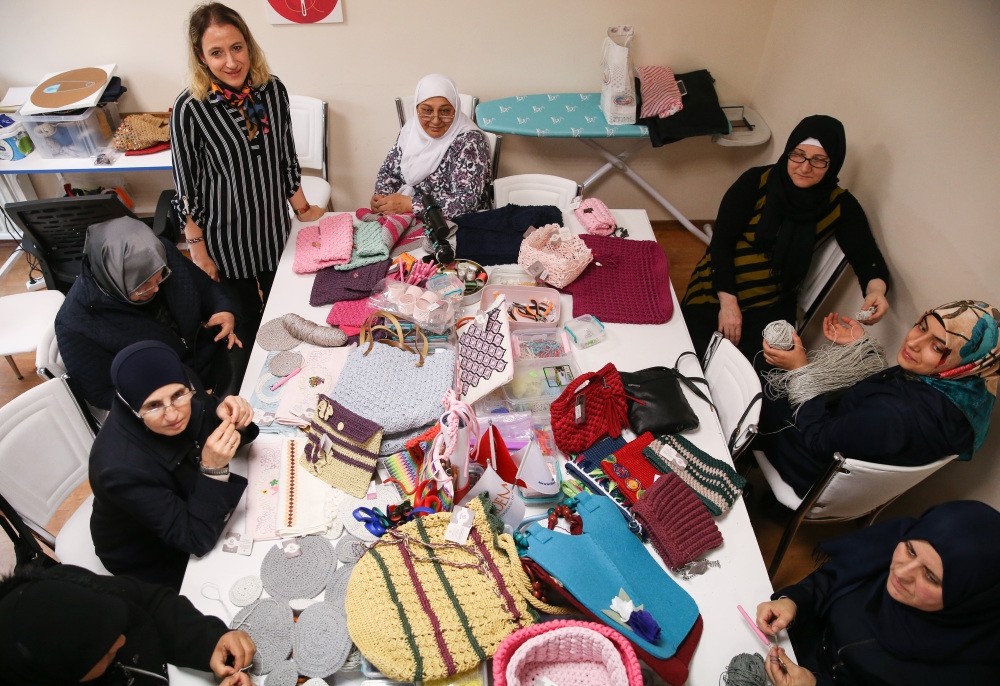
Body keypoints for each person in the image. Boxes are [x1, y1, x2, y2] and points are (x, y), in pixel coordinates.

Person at [171, 2, 325, 378]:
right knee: (245, 326)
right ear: (200, 57)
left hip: (273, 229)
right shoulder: (190, 108)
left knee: (287, 312)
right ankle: (254, 392)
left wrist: (304, 211)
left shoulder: (272, 91)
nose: (230, 62)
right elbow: (186, 187)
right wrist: (198, 251)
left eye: (236, 47)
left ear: (249, 45)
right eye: (217, 52)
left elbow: (285, 157)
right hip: (226, 241)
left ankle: (296, 377)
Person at [681, 115, 890, 359]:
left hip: (771, 302)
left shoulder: (839, 204)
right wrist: (728, 304)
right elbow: (721, 244)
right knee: (690, 355)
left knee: (756, 371)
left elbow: (867, 257)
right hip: (719, 286)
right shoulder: (756, 182)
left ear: (833, 163)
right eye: (798, 154)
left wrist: (876, 291)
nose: (804, 166)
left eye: (819, 160)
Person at [757, 300, 999, 498]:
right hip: (848, 463)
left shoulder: (900, 413)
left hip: (815, 470)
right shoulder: (966, 392)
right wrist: (862, 349)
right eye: (922, 327)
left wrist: (800, 370)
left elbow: (820, 441)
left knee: (762, 390)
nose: (913, 342)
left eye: (937, 347)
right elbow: (883, 404)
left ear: (966, 360)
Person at [755, 500, 1000, 685]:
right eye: (911, 551)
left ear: (968, 600)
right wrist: (793, 601)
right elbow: (832, 580)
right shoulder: (889, 547)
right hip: (789, 647)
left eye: (931, 576)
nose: (902, 572)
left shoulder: (970, 672)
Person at [90, 341, 257, 590]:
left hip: (184, 498)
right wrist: (213, 469)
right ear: (132, 407)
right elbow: (194, 539)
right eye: (153, 406)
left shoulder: (180, 383)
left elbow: (205, 428)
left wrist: (233, 420)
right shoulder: (118, 470)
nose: (173, 415)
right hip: (151, 554)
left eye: (179, 396)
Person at [55, 216, 241, 412]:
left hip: (209, 357)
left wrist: (223, 309)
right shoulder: (75, 325)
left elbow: (206, 288)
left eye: (160, 278)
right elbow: (102, 394)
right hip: (168, 405)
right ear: (113, 280)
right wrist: (175, 395)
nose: (156, 289)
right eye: (143, 286)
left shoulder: (160, 254)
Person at [0, 563, 254, 686]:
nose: (122, 640)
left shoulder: (69, 586)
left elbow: (149, 602)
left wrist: (208, 641)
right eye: (103, 650)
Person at [370, 73, 492, 221]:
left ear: (456, 109)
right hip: (411, 221)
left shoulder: (471, 141)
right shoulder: (410, 132)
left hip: (460, 226)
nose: (435, 120)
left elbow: (466, 203)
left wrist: (411, 205)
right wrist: (382, 199)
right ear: (417, 109)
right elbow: (389, 174)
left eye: (445, 111)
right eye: (427, 111)